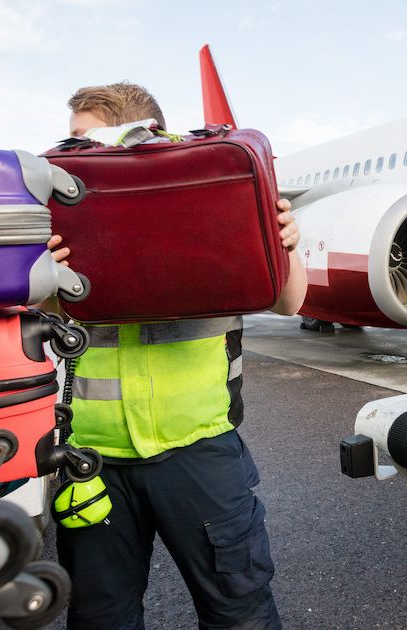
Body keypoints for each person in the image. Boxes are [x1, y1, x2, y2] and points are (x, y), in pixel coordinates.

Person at [47, 82, 307, 629]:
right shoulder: (60, 207)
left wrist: (285, 243)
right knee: (100, 616)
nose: (73, 155)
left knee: (238, 610)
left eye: (84, 141)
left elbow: (288, 302)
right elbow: (46, 310)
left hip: (199, 447)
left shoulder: (208, 195)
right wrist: (48, 272)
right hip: (92, 455)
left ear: (139, 136)